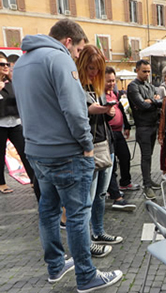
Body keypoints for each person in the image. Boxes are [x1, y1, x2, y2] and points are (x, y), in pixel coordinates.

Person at [13, 19, 122, 292]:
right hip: (66, 152)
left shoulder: (23, 63)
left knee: (48, 211)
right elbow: (74, 111)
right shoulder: (59, 59)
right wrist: (86, 144)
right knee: (77, 215)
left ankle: (56, 265)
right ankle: (86, 276)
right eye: (77, 50)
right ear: (68, 41)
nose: (76, 56)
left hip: (37, 151)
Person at [76, 45, 125, 257]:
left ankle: (97, 232)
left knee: (100, 195)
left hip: (106, 145)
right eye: (91, 67)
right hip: (90, 148)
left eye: (98, 68)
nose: (94, 72)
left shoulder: (96, 88)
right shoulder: (77, 86)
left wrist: (108, 110)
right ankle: (88, 242)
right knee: (87, 199)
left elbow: (100, 114)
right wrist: (104, 109)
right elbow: (85, 111)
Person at [127, 60, 162, 199]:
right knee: (146, 156)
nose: (147, 74)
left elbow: (160, 101)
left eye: (148, 71)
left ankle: (148, 181)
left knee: (149, 156)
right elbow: (142, 105)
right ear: (137, 70)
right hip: (143, 126)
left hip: (153, 125)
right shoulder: (132, 86)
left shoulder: (150, 85)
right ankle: (147, 185)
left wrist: (152, 101)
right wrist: (154, 101)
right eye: (144, 71)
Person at [0, 55, 34, 194]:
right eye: (2, 64)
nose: (6, 66)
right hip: (0, 125)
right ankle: (1, 183)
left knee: (25, 151)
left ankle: (34, 179)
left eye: (7, 64)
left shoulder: (12, 83)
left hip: (15, 123)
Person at [104, 67, 137, 211]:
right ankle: (115, 194)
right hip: (107, 134)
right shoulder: (99, 95)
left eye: (113, 80)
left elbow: (121, 109)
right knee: (111, 165)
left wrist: (127, 125)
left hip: (118, 132)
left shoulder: (114, 93)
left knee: (125, 157)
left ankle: (124, 183)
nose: (111, 83)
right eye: (109, 81)